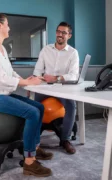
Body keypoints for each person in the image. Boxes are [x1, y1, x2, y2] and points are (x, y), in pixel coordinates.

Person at [0, 13, 52, 177]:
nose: (9, 28)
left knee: (39, 106)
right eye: (7, 24)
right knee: (32, 113)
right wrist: (28, 83)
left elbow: (9, 72)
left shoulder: (0, 48)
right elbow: (0, 79)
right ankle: (29, 162)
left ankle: (35, 148)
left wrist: (25, 79)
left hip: (1, 93)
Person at [33, 22, 79, 154]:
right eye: (58, 31)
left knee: (71, 106)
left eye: (64, 32)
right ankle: (34, 140)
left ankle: (65, 139)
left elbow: (74, 75)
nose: (60, 34)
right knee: (33, 106)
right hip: (44, 87)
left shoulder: (73, 53)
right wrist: (35, 82)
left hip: (62, 88)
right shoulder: (46, 49)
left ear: (69, 35)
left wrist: (57, 78)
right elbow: (38, 70)